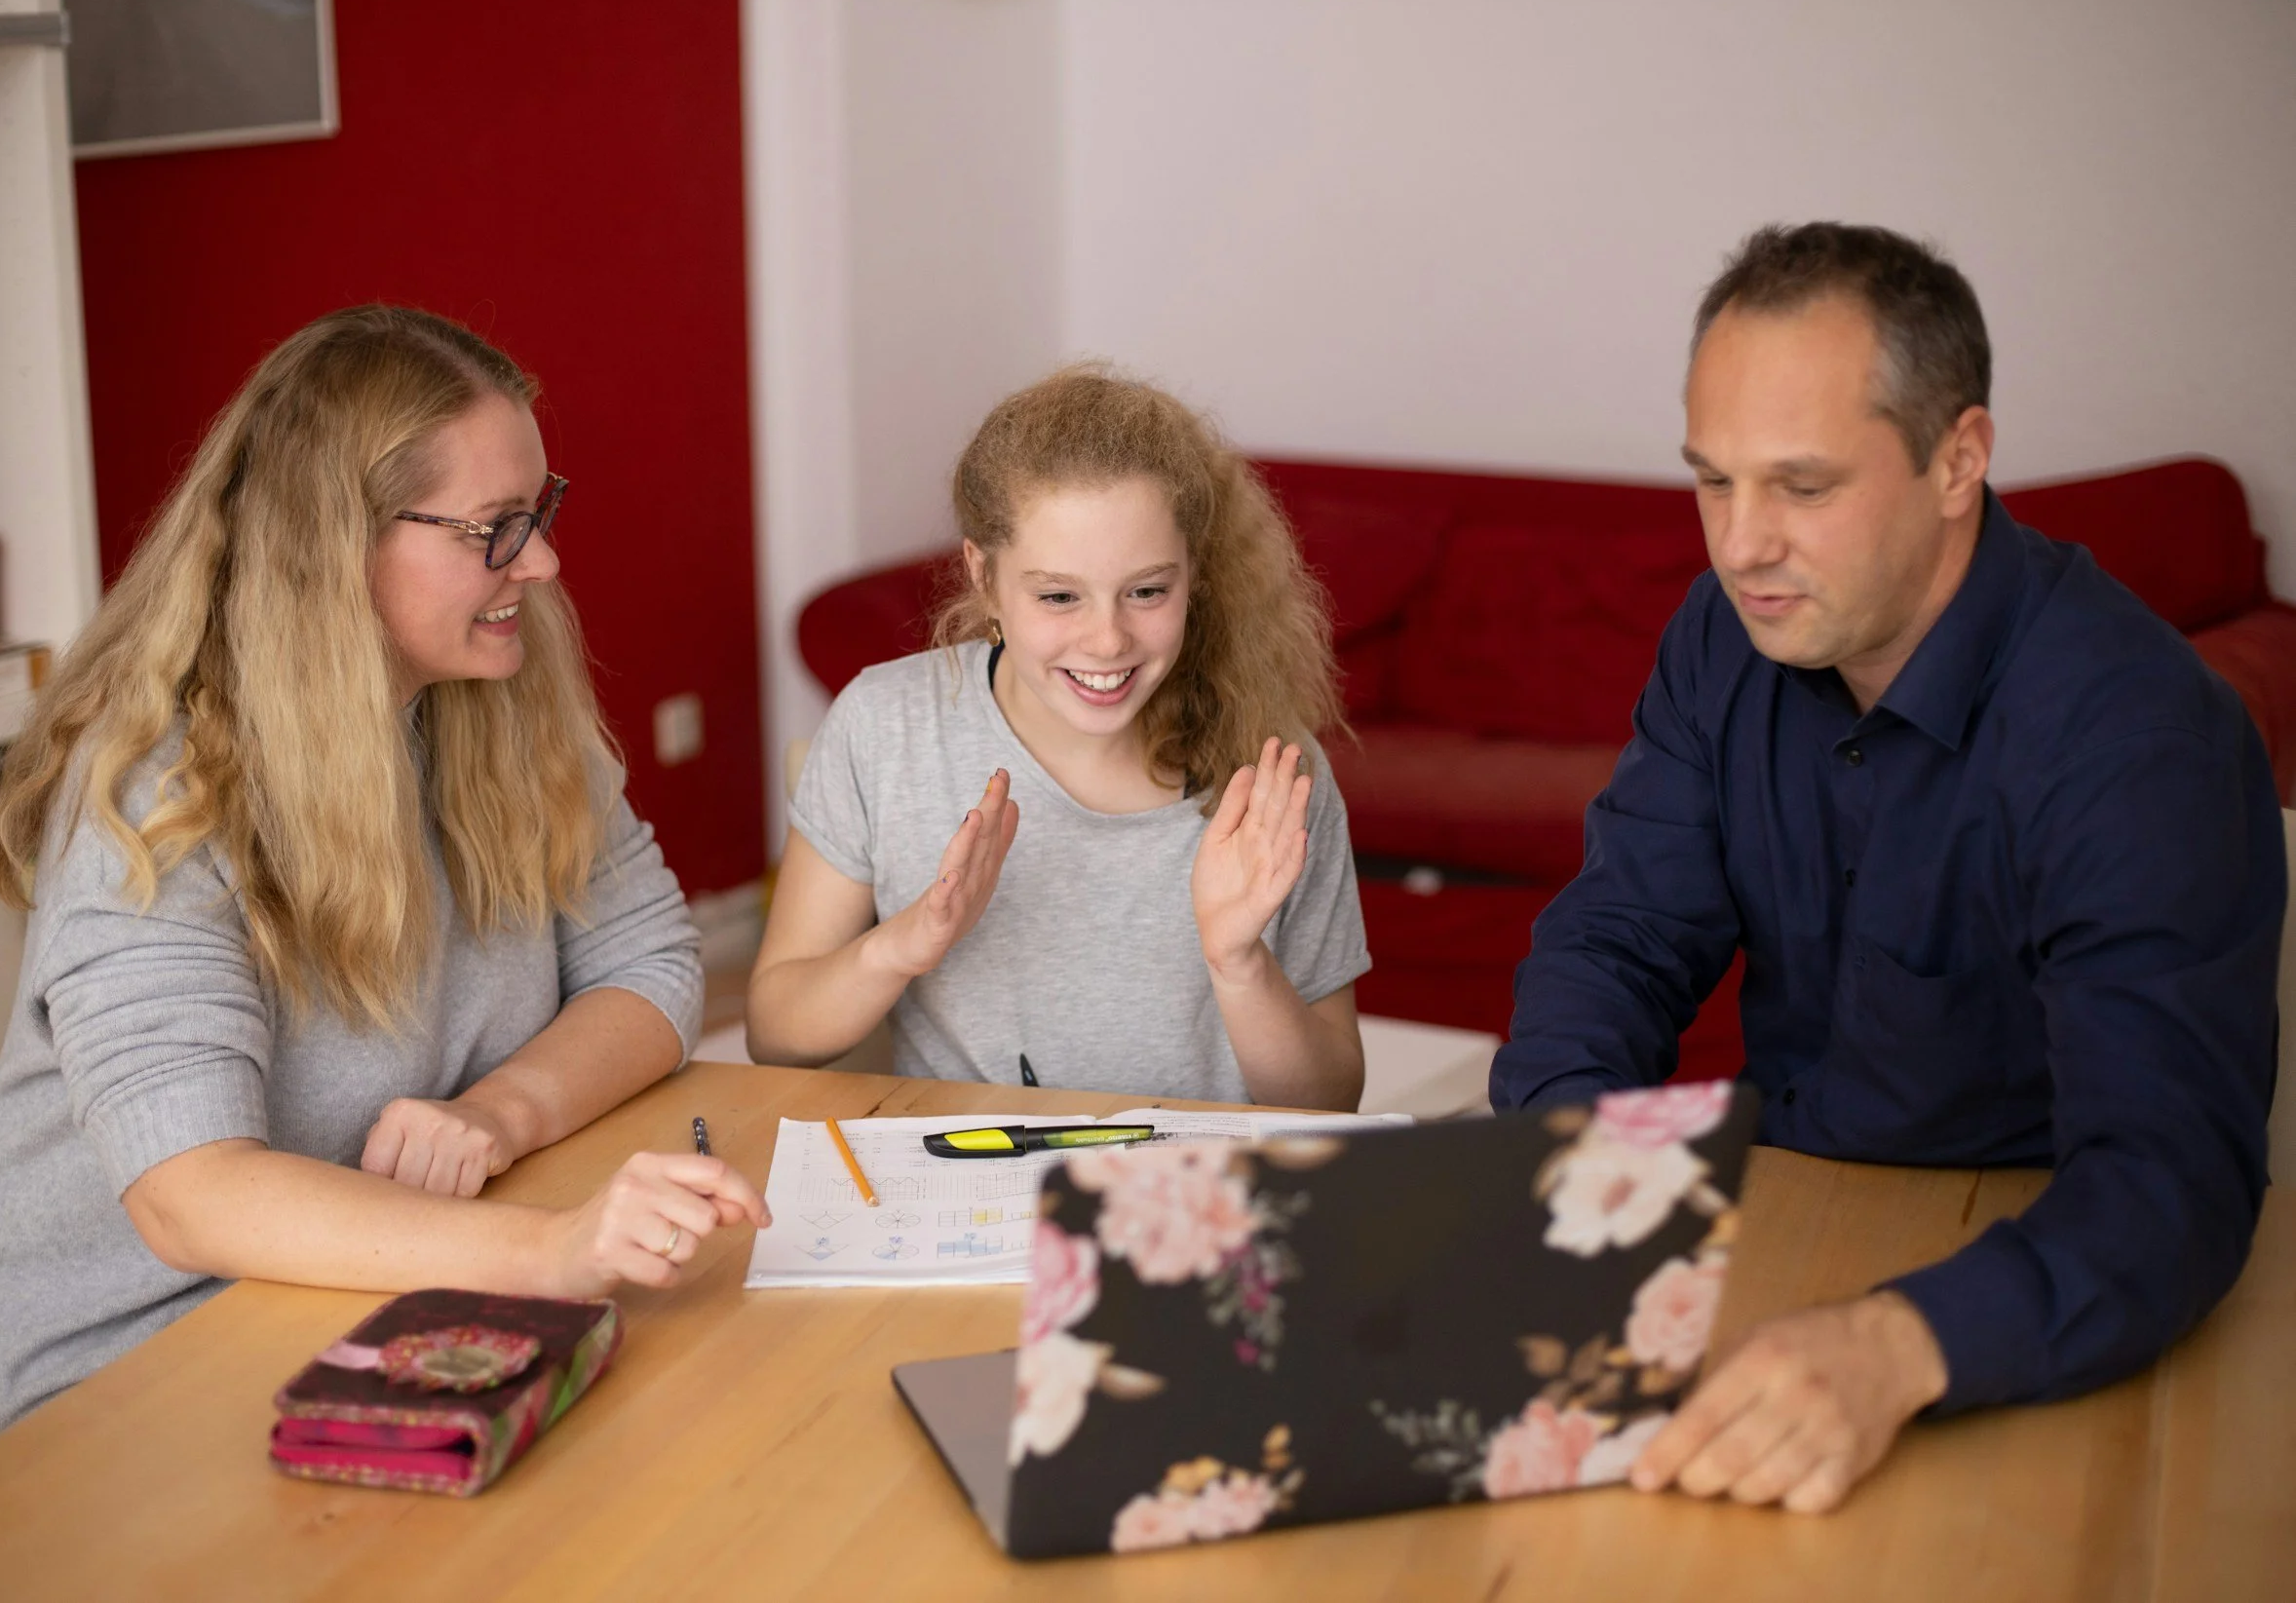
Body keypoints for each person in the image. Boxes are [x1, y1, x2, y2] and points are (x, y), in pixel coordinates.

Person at [1489, 223, 2282, 1512]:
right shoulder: (1723, 636)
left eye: (1801, 487)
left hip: (2024, 1300)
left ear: (1958, 458)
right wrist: (1565, 1160)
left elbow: (2170, 1179)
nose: (1740, 546)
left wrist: (1898, 1342)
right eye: (1712, 481)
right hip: (1783, 1232)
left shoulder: (2139, 732)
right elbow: (1619, 938)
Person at [0, 306, 769, 1465]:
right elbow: (190, 1194)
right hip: (119, 1371)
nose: (541, 559)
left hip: (373, 1292)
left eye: (540, 511)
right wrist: (552, 1250)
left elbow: (653, 964)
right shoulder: (159, 786)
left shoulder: (498, 689)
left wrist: (500, 1112)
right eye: (495, 528)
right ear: (336, 542)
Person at [748, 364, 1369, 1108]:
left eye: (1147, 590)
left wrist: (1238, 961)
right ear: (984, 576)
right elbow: (773, 1029)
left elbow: (1330, 1101)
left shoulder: (1270, 770)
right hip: (972, 1192)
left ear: (1194, 574)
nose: (1107, 640)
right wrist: (904, 943)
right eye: (1058, 596)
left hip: (1193, 1200)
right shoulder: (886, 725)